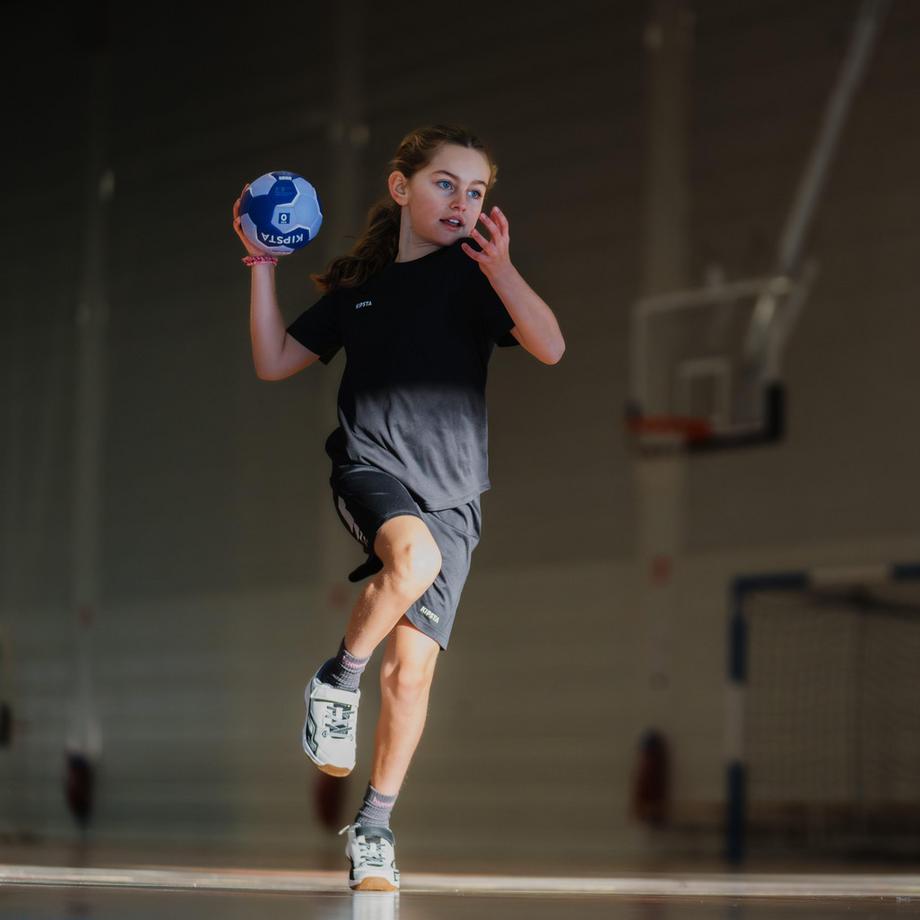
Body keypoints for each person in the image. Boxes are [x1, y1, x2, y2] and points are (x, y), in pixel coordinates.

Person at [232, 124, 564, 891]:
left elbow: (549, 346)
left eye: (476, 190)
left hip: (454, 491)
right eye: (446, 183)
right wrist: (259, 267)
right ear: (401, 187)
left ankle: (374, 828)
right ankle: (337, 679)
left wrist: (506, 268)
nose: (462, 201)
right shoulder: (359, 289)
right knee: (412, 559)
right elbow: (274, 360)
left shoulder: (478, 281)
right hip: (373, 466)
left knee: (411, 678)